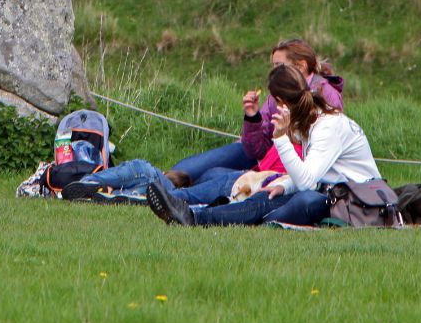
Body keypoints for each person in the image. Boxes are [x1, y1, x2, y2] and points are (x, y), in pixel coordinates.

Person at [62, 38, 341, 203]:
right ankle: (102, 187)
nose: (273, 74)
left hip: (264, 173)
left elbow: (306, 165)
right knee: (181, 174)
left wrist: (279, 139)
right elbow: (258, 148)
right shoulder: (277, 100)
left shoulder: (321, 107)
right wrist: (253, 117)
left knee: (167, 178)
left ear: (301, 68)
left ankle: (105, 187)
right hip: (258, 163)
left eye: (279, 66)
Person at [145, 63, 381, 227]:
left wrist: (281, 139)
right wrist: (285, 185)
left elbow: (308, 181)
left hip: (353, 200)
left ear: (280, 101)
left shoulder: (329, 126)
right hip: (328, 191)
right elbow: (313, 174)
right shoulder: (312, 120)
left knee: (286, 202)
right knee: (269, 194)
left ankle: (194, 216)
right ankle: (190, 212)